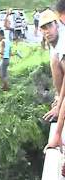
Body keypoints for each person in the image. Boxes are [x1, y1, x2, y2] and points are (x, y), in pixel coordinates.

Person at [41, 9, 65, 151]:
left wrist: (57, 134)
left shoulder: (63, 42)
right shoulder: (55, 47)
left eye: (49, 26)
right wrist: (58, 99)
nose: (47, 31)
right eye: (43, 28)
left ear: (57, 24)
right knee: (54, 60)